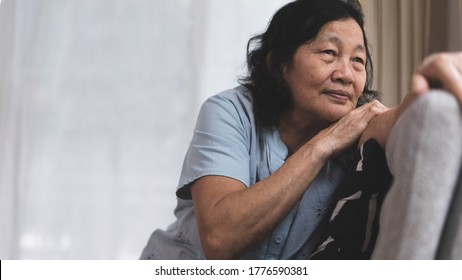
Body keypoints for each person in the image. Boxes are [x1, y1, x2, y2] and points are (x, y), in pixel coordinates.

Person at [140, 0, 462, 260]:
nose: (346, 75)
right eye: (329, 53)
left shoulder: (360, 126)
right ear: (279, 64)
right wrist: (323, 145)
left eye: (359, 61)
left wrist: (439, 90)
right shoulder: (229, 112)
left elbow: (412, 122)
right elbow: (220, 240)